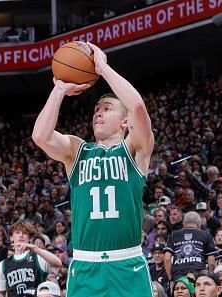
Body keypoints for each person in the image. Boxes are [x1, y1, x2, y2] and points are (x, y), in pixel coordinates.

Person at [32, 42, 154, 297]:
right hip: (86, 264)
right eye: (96, 110)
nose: (98, 114)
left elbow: (138, 107)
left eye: (106, 109)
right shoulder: (77, 150)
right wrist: (59, 89)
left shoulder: (134, 148)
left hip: (127, 263)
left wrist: (103, 68)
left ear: (125, 121)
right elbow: (40, 135)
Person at [0, 220, 62, 297]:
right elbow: (0, 294)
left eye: (25, 233)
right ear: (11, 237)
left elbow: (58, 263)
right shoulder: (2, 264)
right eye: (18, 232)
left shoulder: (38, 256)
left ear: (29, 238)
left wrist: (35, 248)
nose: (21, 235)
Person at [164, 212, 216, 285]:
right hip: (198, 274)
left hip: (178, 276)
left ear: (184, 224)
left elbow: (167, 259)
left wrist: (170, 279)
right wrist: (211, 278)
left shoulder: (173, 235)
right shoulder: (206, 234)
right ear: (199, 223)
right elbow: (212, 263)